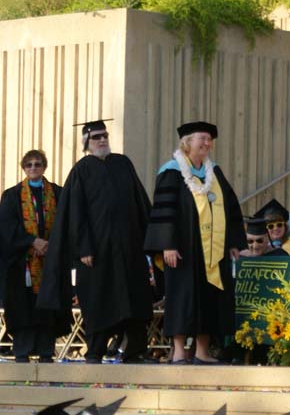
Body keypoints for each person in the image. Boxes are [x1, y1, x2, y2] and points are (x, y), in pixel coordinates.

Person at [37, 120, 153, 364]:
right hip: (97, 254)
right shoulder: (82, 170)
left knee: (134, 299)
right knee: (100, 301)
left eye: (105, 136)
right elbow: (75, 213)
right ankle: (95, 352)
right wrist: (83, 248)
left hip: (128, 249)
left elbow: (140, 202)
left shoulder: (123, 164)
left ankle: (135, 351)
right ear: (87, 143)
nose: (102, 140)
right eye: (97, 137)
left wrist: (149, 241)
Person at [144, 121, 246, 365]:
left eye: (210, 140)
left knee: (210, 297)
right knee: (182, 297)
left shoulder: (215, 172)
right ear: (187, 142)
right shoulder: (171, 171)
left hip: (213, 249)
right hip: (183, 250)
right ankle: (179, 352)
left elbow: (231, 207)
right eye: (202, 138)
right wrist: (167, 244)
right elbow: (164, 210)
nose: (207, 143)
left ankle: (202, 352)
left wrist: (233, 242)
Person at [0, 150, 68, 362]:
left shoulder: (58, 193)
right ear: (23, 167)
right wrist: (32, 241)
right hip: (22, 263)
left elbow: (66, 224)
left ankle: (46, 350)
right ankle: (22, 350)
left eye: (37, 164)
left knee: (47, 307)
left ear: (44, 166)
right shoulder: (11, 196)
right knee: (24, 308)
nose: (33, 168)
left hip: (51, 260)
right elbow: (7, 227)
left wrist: (50, 245)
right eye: (28, 165)